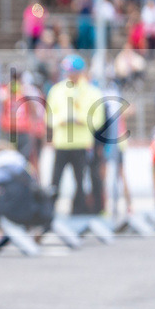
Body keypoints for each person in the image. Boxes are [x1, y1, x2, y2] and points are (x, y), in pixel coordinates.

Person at [46, 55, 105, 215]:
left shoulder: (93, 92)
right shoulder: (57, 90)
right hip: (62, 143)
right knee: (55, 181)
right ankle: (48, 213)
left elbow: (98, 119)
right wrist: (62, 120)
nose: (69, 76)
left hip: (81, 143)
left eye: (73, 72)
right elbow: (49, 117)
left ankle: (79, 212)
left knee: (81, 182)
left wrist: (80, 119)